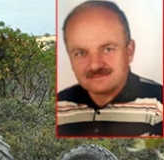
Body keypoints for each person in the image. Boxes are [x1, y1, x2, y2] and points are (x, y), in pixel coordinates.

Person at [57, 0, 163, 137]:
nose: (95, 65)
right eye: (81, 53)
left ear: (129, 51)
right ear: (70, 59)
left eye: (107, 49)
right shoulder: (61, 105)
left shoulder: (157, 104)